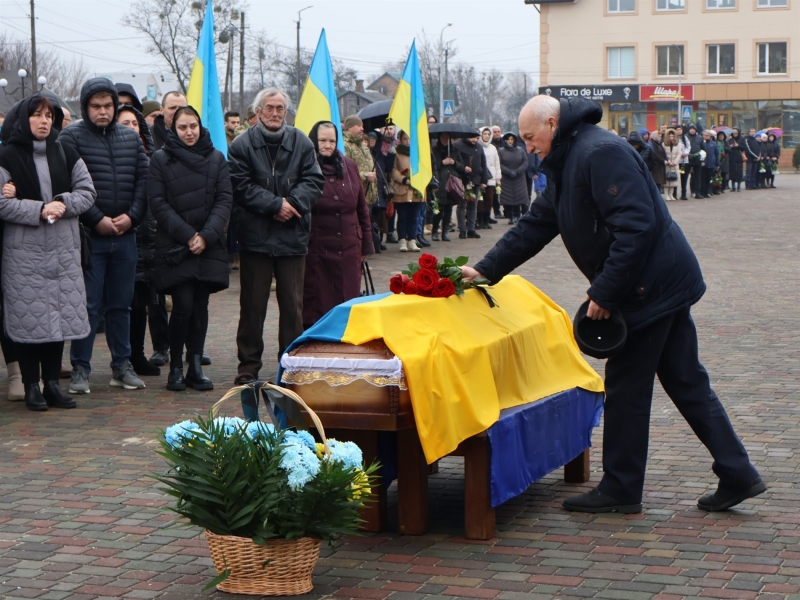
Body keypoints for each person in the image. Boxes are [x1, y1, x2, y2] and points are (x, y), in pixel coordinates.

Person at [462, 94, 765, 514]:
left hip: (650, 288)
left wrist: (605, 293)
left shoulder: (598, 152)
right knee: (686, 381)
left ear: (553, 123)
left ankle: (621, 488)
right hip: (657, 283)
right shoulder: (571, 156)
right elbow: (537, 223)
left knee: (626, 388)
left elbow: (636, 227)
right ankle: (738, 473)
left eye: (532, 137)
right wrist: (485, 269)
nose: (528, 146)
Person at [0, 94, 96, 411]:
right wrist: (39, 209)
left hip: (63, 250)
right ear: (23, 119)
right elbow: (1, 203)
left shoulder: (67, 152)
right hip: (23, 253)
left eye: (49, 116)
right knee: (29, 319)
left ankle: (53, 384)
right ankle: (31, 386)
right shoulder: (6, 156)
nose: (44, 121)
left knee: (57, 318)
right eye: (37, 115)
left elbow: (88, 192)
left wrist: (63, 204)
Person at [228, 88, 324, 386]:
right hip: (255, 238)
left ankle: (291, 364)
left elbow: (314, 180)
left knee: (293, 307)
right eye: (269, 108)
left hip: (292, 236)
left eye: (280, 108)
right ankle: (248, 366)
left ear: (287, 112)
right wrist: (274, 205)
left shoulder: (302, 142)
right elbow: (240, 185)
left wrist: (291, 204)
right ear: (258, 111)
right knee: (252, 307)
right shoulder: (242, 144)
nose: (274, 113)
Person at [58, 78, 149, 394]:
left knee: (121, 305)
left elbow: (143, 180)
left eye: (108, 105)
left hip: (125, 236)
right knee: (87, 305)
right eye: (96, 106)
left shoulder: (130, 137)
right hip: (88, 237)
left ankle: (121, 366)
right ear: (85, 107)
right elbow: (67, 186)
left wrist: (133, 216)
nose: (102, 111)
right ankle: (80, 368)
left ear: (116, 106)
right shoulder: (70, 137)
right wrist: (96, 219)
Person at [148, 106, 231, 391]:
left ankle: (195, 365)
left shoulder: (216, 157)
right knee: (182, 304)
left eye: (193, 126)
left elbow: (224, 200)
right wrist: (188, 236)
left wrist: (206, 236)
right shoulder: (160, 159)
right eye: (183, 127)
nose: (189, 132)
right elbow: (157, 202)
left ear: (200, 126)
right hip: (176, 245)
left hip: (208, 244)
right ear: (174, 129)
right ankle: (176, 367)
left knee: (201, 305)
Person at [116, 105, 170, 378]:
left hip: (152, 237)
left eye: (135, 123)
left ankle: (138, 353)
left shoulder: (153, 158)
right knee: (126, 301)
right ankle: (125, 357)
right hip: (125, 233)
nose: (131, 127)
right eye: (124, 123)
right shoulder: (113, 156)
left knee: (145, 301)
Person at [303, 121, 374, 327]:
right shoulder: (305, 166)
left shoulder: (349, 166)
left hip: (350, 248)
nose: (327, 145)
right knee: (317, 300)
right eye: (322, 140)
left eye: (332, 141)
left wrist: (367, 244)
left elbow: (362, 208)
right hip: (316, 250)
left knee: (347, 299)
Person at [391, 130, 423, 252]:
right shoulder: (396, 153)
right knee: (403, 216)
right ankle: (402, 240)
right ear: (400, 140)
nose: (408, 142)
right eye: (405, 139)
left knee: (415, 217)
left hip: (416, 191)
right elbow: (394, 170)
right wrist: (404, 179)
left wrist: (419, 179)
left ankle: (412, 239)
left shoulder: (418, 152)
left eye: (410, 139)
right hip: (402, 189)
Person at [430, 132, 465, 242]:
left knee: (449, 208)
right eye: (442, 137)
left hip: (451, 183)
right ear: (439, 138)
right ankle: (435, 230)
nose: (445, 139)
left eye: (447, 137)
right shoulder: (434, 150)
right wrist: (442, 162)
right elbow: (431, 165)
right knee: (439, 208)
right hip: (440, 181)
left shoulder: (454, 150)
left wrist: (454, 162)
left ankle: (445, 231)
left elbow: (461, 166)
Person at [453, 134, 488, 239]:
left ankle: (471, 229)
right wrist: (463, 168)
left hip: (476, 180)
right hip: (463, 179)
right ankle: (462, 229)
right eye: (472, 138)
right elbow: (455, 162)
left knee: (473, 205)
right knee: (462, 205)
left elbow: (483, 164)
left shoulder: (479, 147)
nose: (475, 140)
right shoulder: (458, 145)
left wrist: (484, 179)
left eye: (477, 138)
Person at [342, 115, 378, 206]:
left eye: (362, 126)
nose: (362, 129)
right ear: (349, 128)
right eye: (358, 126)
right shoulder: (344, 146)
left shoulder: (363, 146)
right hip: (354, 197)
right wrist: (365, 176)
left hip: (368, 197)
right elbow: (346, 171)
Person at [497, 132, 529, 225]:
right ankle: (511, 216)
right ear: (505, 140)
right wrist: (509, 172)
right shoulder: (501, 151)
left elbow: (525, 162)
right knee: (509, 198)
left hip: (519, 178)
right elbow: (499, 163)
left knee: (520, 197)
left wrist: (518, 171)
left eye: (512, 139)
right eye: (508, 139)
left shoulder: (520, 150)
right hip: (507, 178)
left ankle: (518, 216)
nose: (510, 141)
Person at [479, 127, 501, 230]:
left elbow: (497, 162)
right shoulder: (478, 147)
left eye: (488, 134)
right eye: (485, 134)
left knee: (489, 199)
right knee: (480, 200)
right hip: (481, 176)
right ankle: (480, 220)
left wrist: (498, 177)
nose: (487, 136)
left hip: (491, 177)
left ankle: (486, 220)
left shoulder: (493, 148)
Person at [685, 125, 703, 198]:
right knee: (685, 176)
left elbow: (703, 149)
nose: (692, 130)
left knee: (697, 177)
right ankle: (685, 192)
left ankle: (697, 192)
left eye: (693, 129)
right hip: (687, 159)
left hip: (697, 159)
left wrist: (703, 159)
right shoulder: (685, 137)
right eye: (691, 129)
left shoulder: (699, 137)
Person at [699, 129, 719, 199]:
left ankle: (707, 192)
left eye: (708, 135)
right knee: (702, 179)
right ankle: (701, 192)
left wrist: (717, 164)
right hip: (702, 165)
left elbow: (716, 154)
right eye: (705, 135)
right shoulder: (701, 143)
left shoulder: (713, 144)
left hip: (711, 164)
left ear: (710, 136)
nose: (706, 136)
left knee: (708, 179)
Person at [663, 129, 680, 201]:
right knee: (667, 181)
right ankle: (666, 195)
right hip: (667, 165)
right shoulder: (664, 144)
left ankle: (671, 194)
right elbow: (663, 154)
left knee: (673, 180)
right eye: (670, 136)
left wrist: (675, 162)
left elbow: (679, 154)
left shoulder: (677, 144)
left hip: (674, 165)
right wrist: (668, 161)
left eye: (673, 136)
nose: (671, 138)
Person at [648, 130, 667, 197]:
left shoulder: (659, 144)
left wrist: (666, 159)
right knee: (656, 182)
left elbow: (663, 153)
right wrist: (663, 160)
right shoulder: (653, 144)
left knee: (659, 183)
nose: (660, 137)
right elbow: (655, 154)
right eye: (659, 136)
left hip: (660, 166)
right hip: (656, 166)